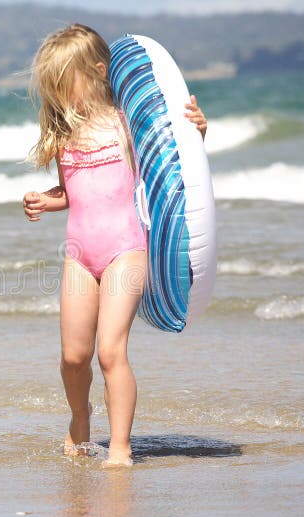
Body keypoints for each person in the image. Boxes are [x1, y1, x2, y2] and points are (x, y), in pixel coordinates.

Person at [22, 23, 207, 467]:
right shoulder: (64, 132)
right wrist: (46, 201)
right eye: (54, 89)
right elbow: (74, 192)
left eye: (65, 84)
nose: (61, 97)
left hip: (126, 249)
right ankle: (80, 419)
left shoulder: (128, 122)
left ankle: (121, 447)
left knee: (109, 351)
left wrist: (199, 130)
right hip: (79, 254)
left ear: (98, 71)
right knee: (72, 357)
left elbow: (175, 160)